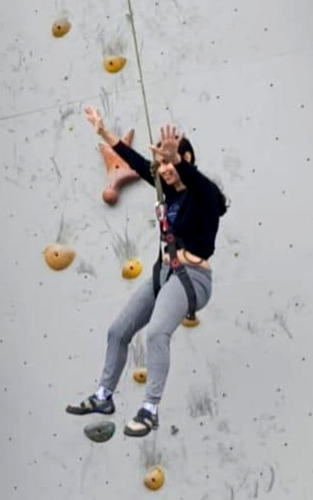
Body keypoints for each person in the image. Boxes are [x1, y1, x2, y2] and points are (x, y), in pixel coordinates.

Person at [66, 106, 228, 437]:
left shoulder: (205, 194)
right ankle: (104, 396)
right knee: (117, 331)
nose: (164, 170)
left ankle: (150, 409)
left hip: (193, 280)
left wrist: (178, 160)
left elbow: (195, 182)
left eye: (170, 164)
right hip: (165, 273)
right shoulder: (167, 192)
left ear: (186, 160)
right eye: (162, 164)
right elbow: (139, 164)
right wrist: (104, 132)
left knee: (156, 333)